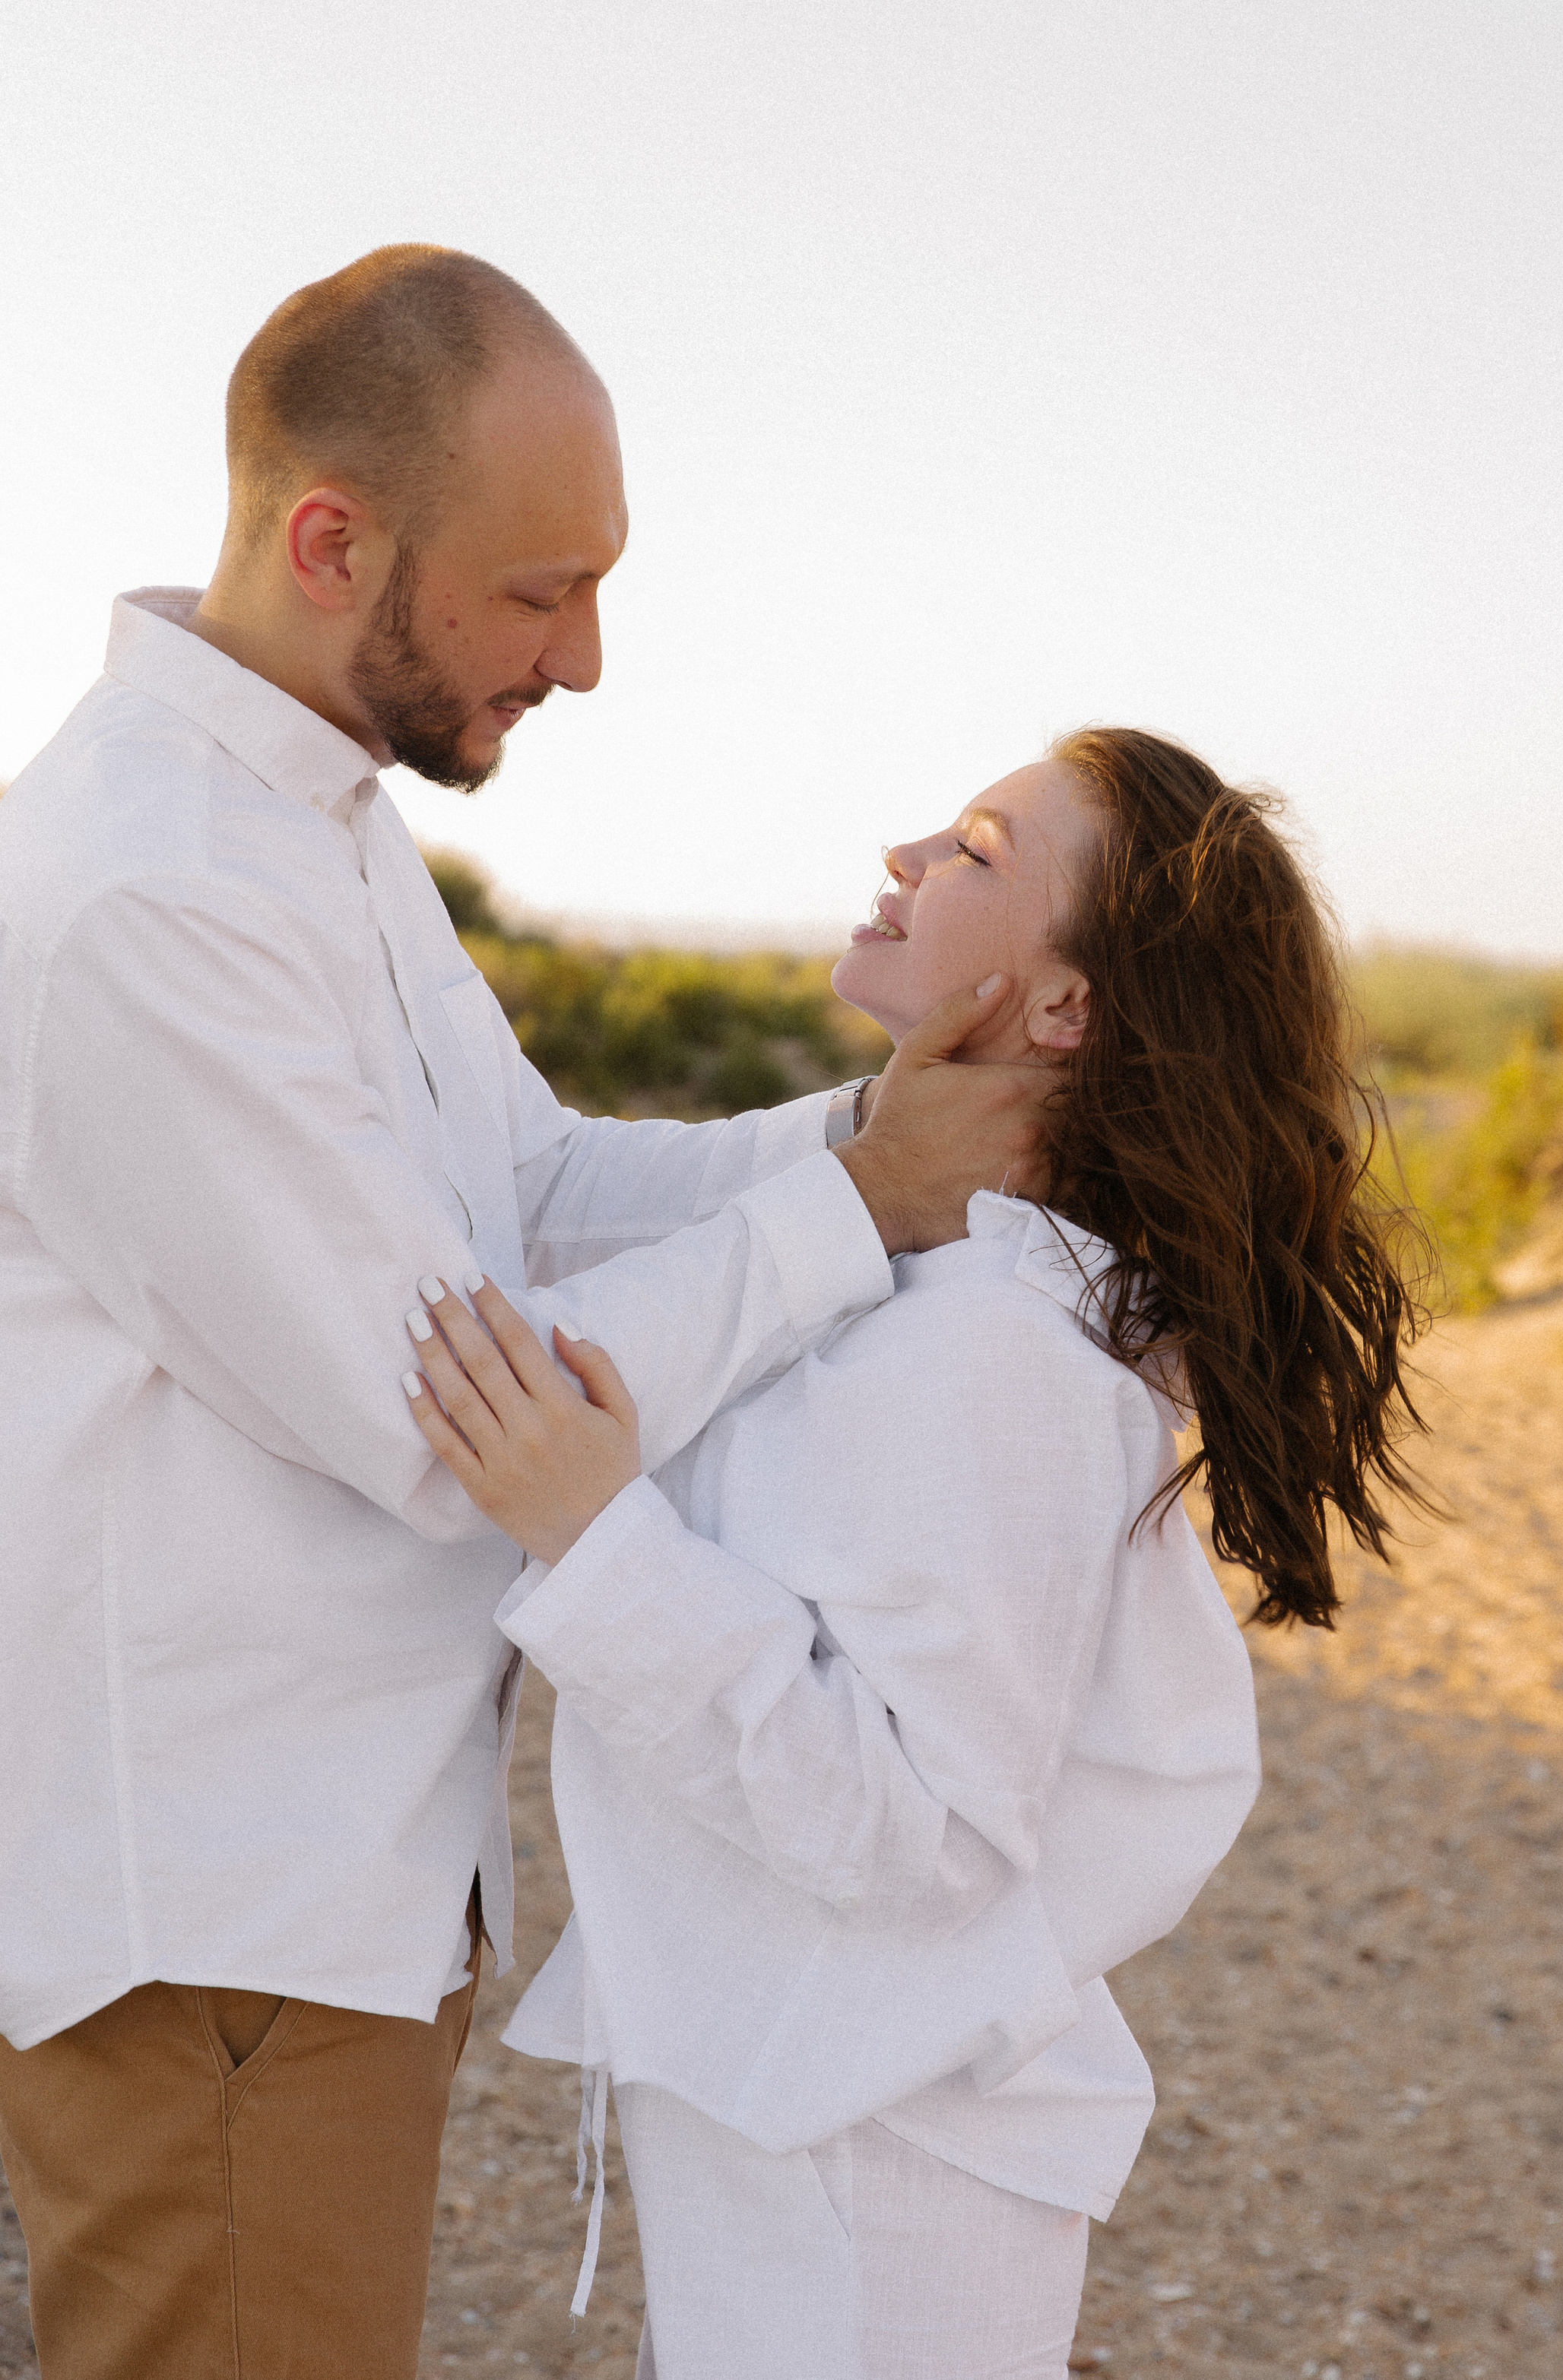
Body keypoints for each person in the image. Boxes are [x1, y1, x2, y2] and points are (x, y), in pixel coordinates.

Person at [0, 246, 1048, 2380]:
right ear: (330, 539)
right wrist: (862, 1206)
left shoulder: (315, 823)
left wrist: (869, 1121)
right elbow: (452, 1408)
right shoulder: (150, 892)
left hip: (316, 1885)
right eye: (537, 589)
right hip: (218, 1907)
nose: (584, 658)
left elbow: (545, 1189)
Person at [403, 727, 1430, 2379]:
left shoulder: (995, 1352)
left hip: (880, 2174)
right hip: (817, 2125)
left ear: (1065, 1008)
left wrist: (592, 1537)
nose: (901, 856)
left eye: (970, 849)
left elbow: (932, 1832)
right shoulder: (920, 1285)